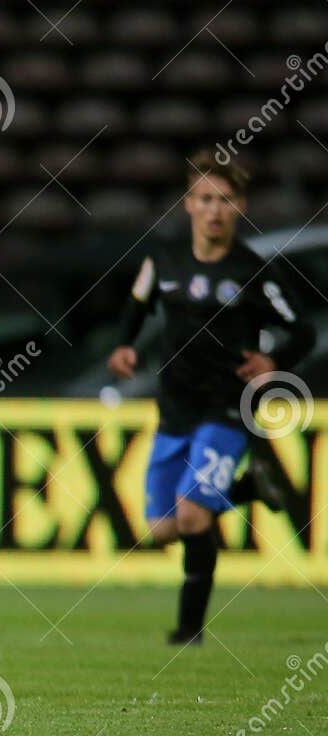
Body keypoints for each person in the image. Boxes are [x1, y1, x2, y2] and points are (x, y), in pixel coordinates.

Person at [108, 150, 315, 645]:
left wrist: (274, 364)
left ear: (240, 207)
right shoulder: (165, 261)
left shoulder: (253, 271)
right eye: (205, 198)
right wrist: (123, 346)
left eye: (224, 199)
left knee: (192, 513)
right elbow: (137, 305)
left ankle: (189, 631)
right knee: (161, 528)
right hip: (175, 408)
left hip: (228, 408)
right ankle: (251, 489)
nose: (214, 209)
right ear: (188, 204)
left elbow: (301, 329)